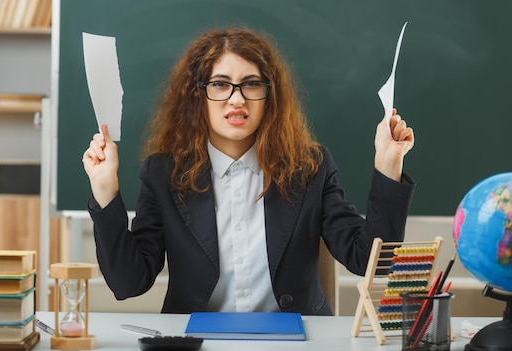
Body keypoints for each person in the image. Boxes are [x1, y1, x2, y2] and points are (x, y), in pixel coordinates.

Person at [82, 27, 415, 315]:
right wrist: (105, 191)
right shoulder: (164, 174)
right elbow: (129, 283)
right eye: (220, 84)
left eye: (251, 84)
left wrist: (388, 166)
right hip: (197, 344)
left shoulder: (310, 168)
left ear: (270, 96)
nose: (236, 99)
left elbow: (373, 261)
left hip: (296, 347)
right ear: (198, 97)